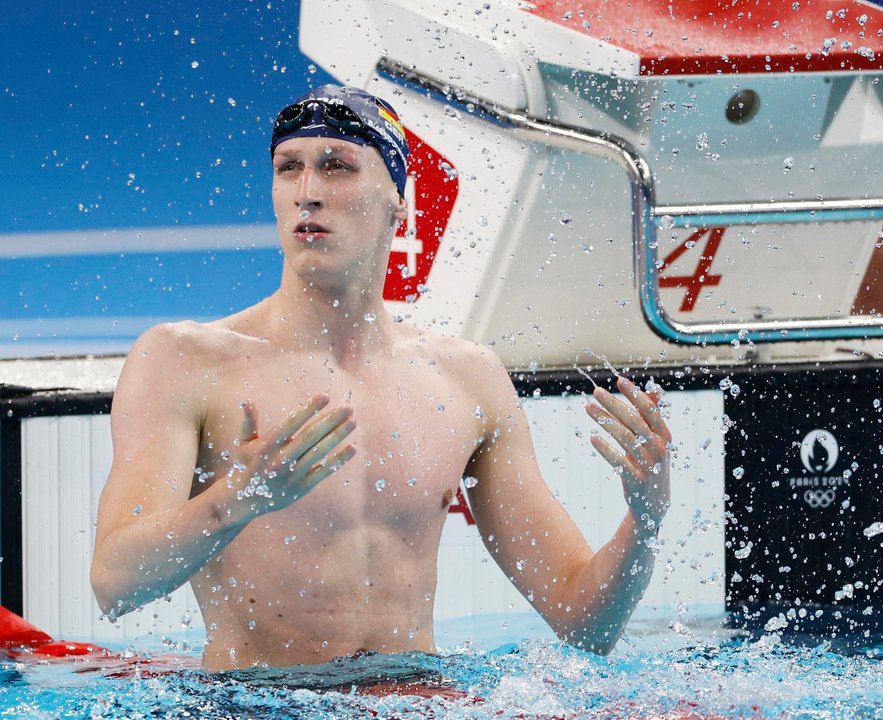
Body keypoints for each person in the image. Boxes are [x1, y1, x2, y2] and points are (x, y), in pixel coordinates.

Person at [89, 85, 672, 672]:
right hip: (254, 705)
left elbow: (583, 622)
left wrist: (645, 520)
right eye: (288, 169)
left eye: (337, 167)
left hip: (416, 698)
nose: (308, 194)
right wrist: (231, 504)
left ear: (398, 198)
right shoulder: (185, 361)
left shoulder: (465, 379)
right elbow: (114, 585)